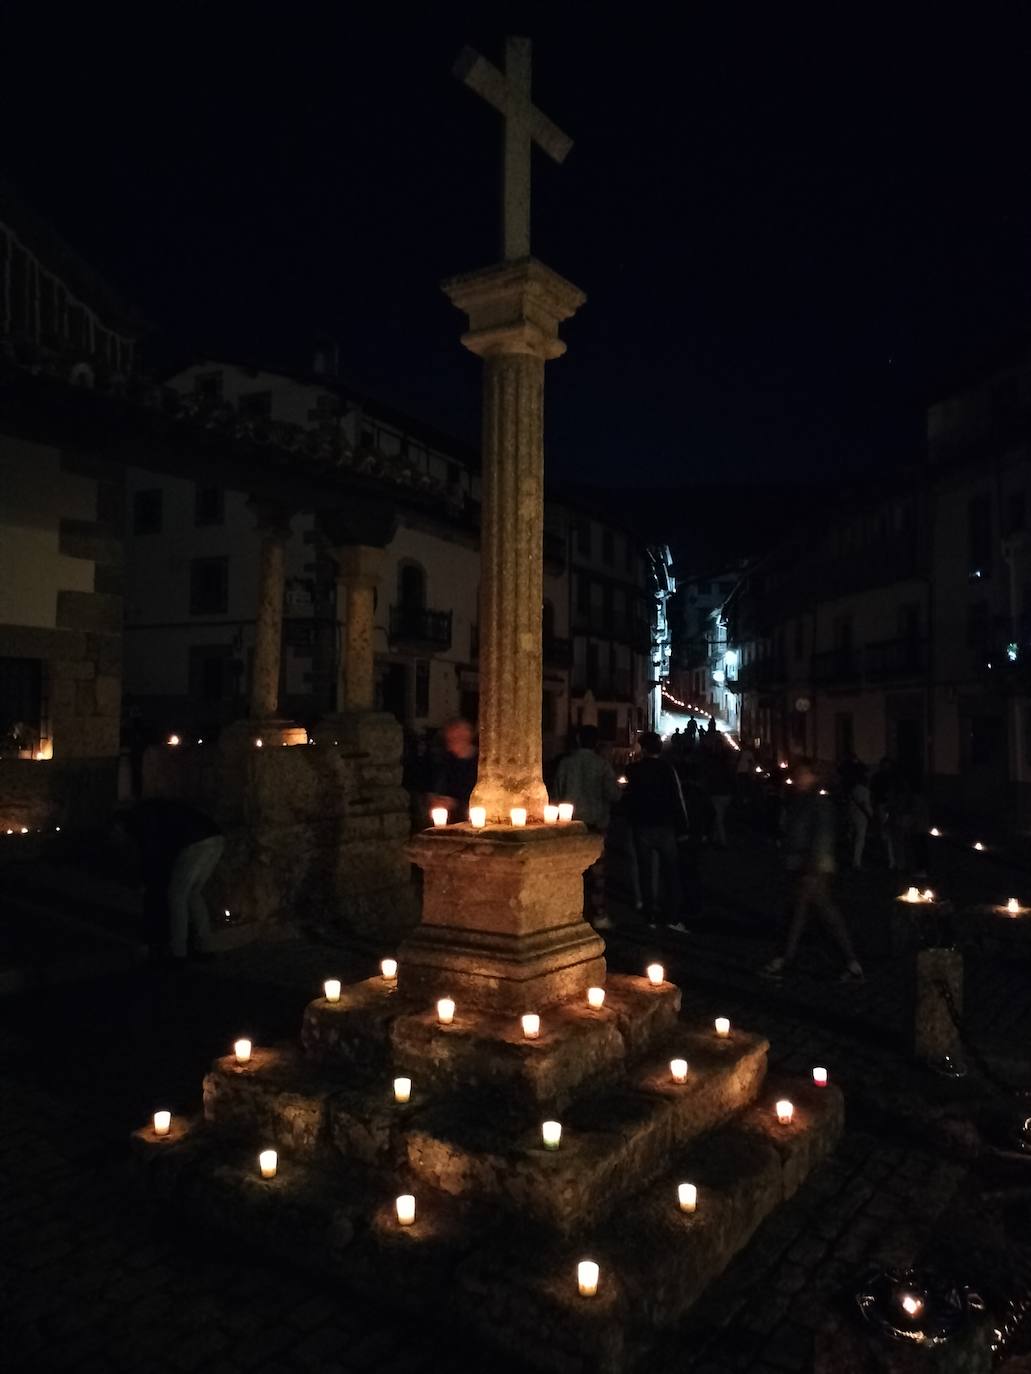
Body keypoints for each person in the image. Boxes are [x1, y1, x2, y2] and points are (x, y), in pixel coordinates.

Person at [760, 758, 864, 983]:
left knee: (809, 915)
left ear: (815, 776)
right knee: (811, 914)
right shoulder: (800, 800)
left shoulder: (820, 803)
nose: (798, 778)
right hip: (803, 865)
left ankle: (786, 960)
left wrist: (812, 866)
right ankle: (849, 963)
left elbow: (822, 838)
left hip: (814, 868)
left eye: (803, 774)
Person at [115, 798, 224, 962]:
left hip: (196, 842)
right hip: (215, 838)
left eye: (115, 834)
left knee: (176, 896)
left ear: (119, 825)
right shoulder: (152, 812)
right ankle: (205, 946)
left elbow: (151, 851)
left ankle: (178, 952)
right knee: (193, 894)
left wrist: (146, 881)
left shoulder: (141, 819)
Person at [552, 724, 622, 930]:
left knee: (570, 873)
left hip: (569, 826)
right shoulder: (601, 765)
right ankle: (599, 915)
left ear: (578, 740)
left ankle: (567, 915)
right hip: (595, 825)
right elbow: (614, 795)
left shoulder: (565, 764)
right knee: (597, 874)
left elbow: (555, 794)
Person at [624, 731, 690, 931]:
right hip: (665, 825)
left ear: (643, 749)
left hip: (642, 825)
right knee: (670, 872)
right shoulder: (667, 769)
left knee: (646, 871)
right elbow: (677, 798)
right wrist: (683, 827)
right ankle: (672, 917)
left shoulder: (633, 770)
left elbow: (629, 797)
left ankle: (650, 915)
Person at [428, 717, 478, 824]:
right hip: (445, 818)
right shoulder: (441, 761)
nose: (456, 737)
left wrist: (456, 803)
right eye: (452, 734)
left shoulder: (479, 762)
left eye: (459, 735)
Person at [848, 763, 873, 869]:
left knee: (855, 837)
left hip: (855, 814)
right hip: (861, 815)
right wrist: (868, 815)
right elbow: (863, 804)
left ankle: (855, 859)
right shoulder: (862, 790)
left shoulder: (855, 789)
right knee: (860, 838)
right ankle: (856, 861)